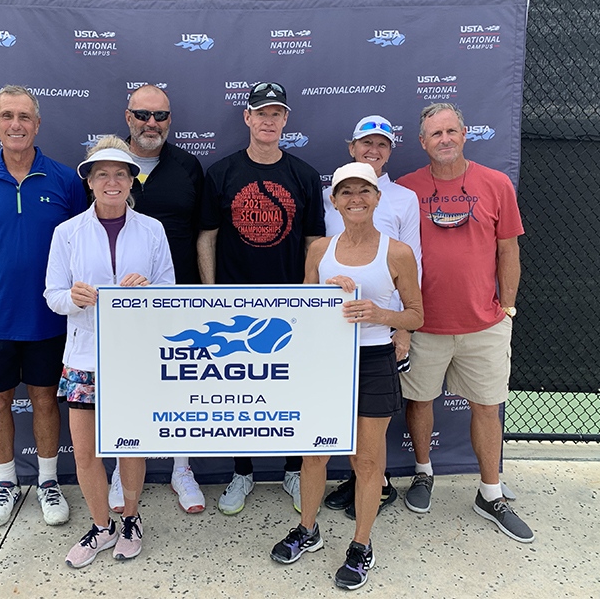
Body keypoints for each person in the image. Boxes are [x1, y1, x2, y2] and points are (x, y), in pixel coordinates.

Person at [269, 162, 423, 590]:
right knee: (313, 455)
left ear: (377, 198)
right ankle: (308, 529)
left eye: (364, 191)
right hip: (326, 362)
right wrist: (323, 295)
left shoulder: (397, 252)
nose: (356, 199)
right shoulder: (320, 249)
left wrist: (380, 314)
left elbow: (416, 314)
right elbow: (302, 308)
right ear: (334, 201)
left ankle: (361, 545)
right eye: (346, 192)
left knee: (367, 461)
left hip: (374, 360)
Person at [395, 103, 533, 543]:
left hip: (484, 324)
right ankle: (423, 472)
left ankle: (490, 493)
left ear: (465, 133)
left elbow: (508, 249)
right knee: (419, 401)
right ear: (422, 142)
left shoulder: (496, 184)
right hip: (424, 324)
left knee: (488, 407)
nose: (445, 139)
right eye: (436, 134)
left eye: (451, 131)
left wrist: (506, 308)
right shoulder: (405, 189)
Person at [0, 85, 86, 528]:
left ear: (37, 124)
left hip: (49, 316)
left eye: (24, 116)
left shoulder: (65, 180)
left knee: (45, 399)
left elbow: (80, 244)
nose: (16, 124)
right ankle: (5, 483)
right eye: (7, 116)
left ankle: (48, 481)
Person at [44, 136, 175, 567]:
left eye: (120, 173)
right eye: (102, 174)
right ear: (90, 181)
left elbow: (169, 293)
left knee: (130, 445)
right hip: (85, 357)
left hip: (135, 358)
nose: (112, 182)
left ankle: (131, 519)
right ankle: (102, 527)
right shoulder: (67, 233)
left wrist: (148, 290)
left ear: (131, 180)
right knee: (85, 452)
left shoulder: (152, 230)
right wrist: (73, 298)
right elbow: (53, 295)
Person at [197, 81, 325, 515]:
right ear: (247, 118)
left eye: (276, 113)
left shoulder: (304, 175)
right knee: (239, 392)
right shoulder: (222, 172)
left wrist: (308, 296)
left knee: (290, 388)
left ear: (285, 119)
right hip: (236, 302)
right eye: (261, 113)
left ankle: (293, 469)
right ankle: (243, 471)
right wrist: (212, 295)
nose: (268, 121)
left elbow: (314, 241)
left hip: (289, 303)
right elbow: (207, 237)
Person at [102, 84, 206, 515]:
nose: (151, 123)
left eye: (160, 116)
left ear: (169, 120)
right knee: (125, 385)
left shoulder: (188, 167)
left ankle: (182, 468)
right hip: (121, 305)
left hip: (178, 299)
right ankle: (120, 470)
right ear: (128, 117)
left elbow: (205, 235)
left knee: (180, 386)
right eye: (143, 114)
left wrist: (206, 293)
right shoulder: (108, 166)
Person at [321, 115, 422, 519]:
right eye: (366, 142)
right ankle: (359, 480)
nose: (373, 150)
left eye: (382, 144)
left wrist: (401, 328)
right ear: (352, 147)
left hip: (382, 331)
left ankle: (377, 486)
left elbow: (415, 265)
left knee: (372, 419)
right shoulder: (329, 196)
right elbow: (322, 258)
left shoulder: (405, 198)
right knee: (346, 417)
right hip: (337, 332)